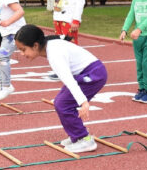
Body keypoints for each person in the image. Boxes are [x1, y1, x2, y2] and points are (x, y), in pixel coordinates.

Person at [15, 24, 108, 153]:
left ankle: (84, 139)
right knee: (61, 102)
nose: (22, 54)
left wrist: (83, 103)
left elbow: (69, 80)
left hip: (93, 74)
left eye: (23, 49)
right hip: (85, 72)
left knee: (63, 103)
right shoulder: (49, 45)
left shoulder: (54, 55)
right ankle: (77, 136)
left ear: (35, 45)